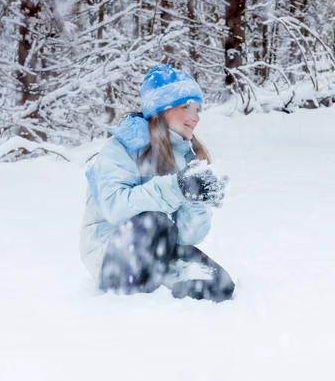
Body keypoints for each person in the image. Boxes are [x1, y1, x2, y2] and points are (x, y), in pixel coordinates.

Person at [80, 64, 235, 302]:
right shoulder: (122, 147)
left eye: (198, 109)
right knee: (155, 221)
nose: (196, 117)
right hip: (111, 255)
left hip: (159, 250)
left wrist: (195, 200)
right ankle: (141, 296)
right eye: (186, 107)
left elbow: (186, 238)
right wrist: (176, 188)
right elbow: (114, 207)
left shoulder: (185, 156)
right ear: (160, 110)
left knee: (220, 285)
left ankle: (160, 293)